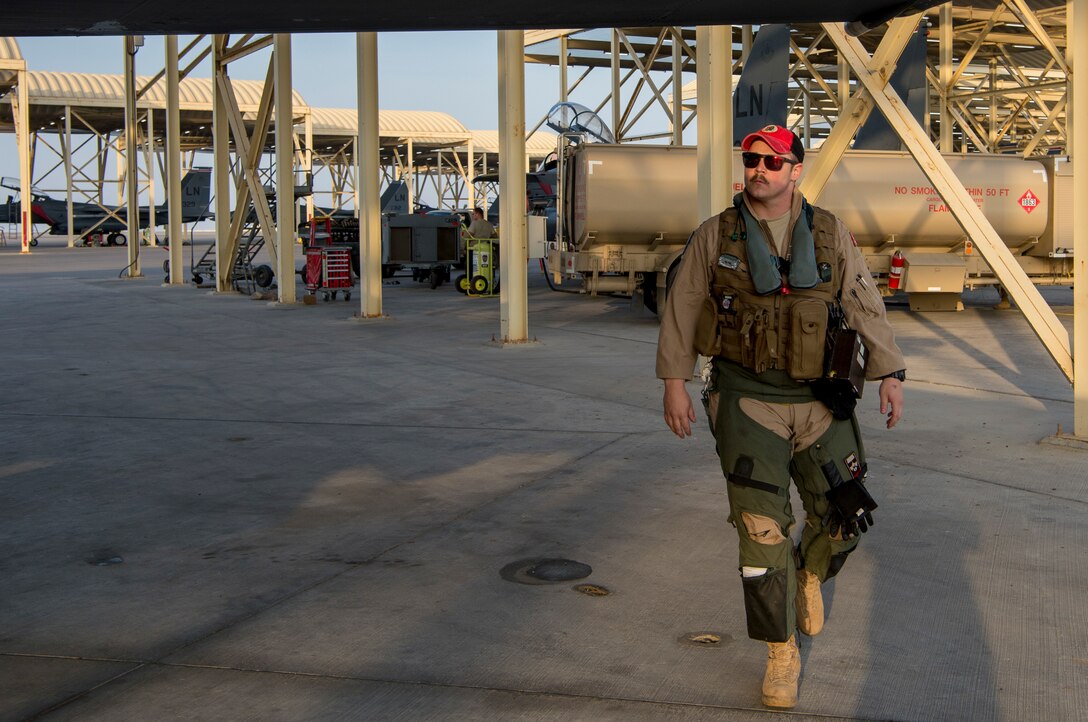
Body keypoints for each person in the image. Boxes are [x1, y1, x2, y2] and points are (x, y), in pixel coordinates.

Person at [656, 124, 906, 710]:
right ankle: (780, 652)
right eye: (752, 159)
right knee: (760, 529)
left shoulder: (828, 233)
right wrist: (675, 383)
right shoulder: (714, 235)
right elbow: (682, 305)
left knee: (845, 511)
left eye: (774, 161)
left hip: (822, 401)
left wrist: (890, 372)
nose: (760, 169)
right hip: (748, 399)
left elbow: (864, 300)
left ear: (796, 169)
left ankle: (810, 570)